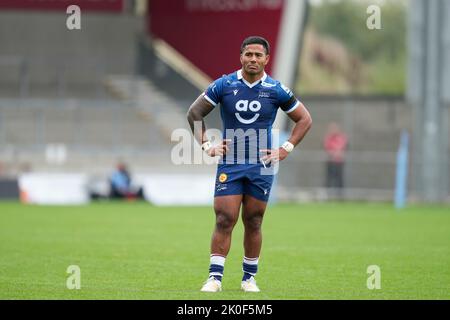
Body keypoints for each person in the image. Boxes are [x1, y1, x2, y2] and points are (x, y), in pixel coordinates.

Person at [187, 36, 312, 292]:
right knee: (224, 218)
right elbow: (194, 113)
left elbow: (304, 119)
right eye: (248, 54)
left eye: (258, 55)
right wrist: (206, 144)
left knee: (254, 220)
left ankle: (249, 279)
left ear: (267, 59)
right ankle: (214, 278)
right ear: (241, 57)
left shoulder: (276, 89)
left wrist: (286, 148)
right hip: (231, 163)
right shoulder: (224, 84)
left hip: (262, 163)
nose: (253, 59)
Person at [323, 122, 348, 198]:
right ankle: (328, 195)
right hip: (330, 162)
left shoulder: (341, 138)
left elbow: (343, 147)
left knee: (339, 179)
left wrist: (337, 153)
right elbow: (327, 147)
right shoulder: (328, 138)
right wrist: (333, 153)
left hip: (339, 162)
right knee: (329, 179)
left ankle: (340, 196)